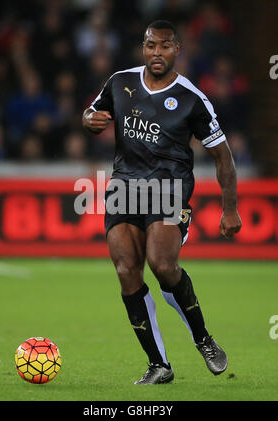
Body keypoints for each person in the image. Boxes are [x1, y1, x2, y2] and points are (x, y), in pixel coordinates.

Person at [82, 20, 242, 385]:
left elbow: (224, 158)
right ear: (143, 47)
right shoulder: (119, 82)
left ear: (177, 50)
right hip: (124, 189)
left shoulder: (192, 98)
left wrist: (230, 208)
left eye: (165, 47)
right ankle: (159, 365)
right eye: (151, 45)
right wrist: (90, 120)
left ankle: (203, 338)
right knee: (126, 271)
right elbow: (90, 112)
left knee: (162, 263)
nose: (158, 53)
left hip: (168, 190)